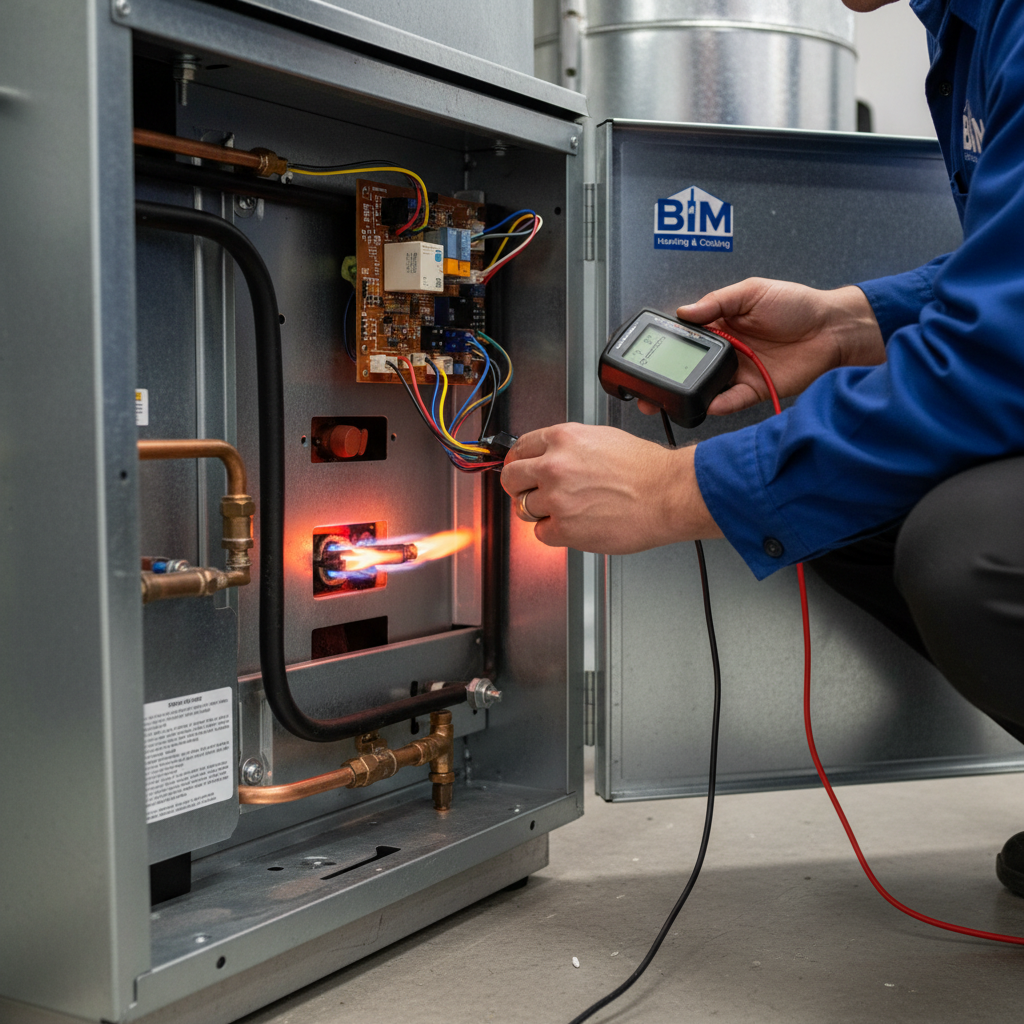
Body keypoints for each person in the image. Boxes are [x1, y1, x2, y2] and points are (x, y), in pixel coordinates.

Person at [501, 0, 1024, 896]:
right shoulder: (966, 26)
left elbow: (1001, 350)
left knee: (966, 552)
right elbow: (1003, 268)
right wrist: (847, 320)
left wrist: (672, 490)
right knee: (858, 508)